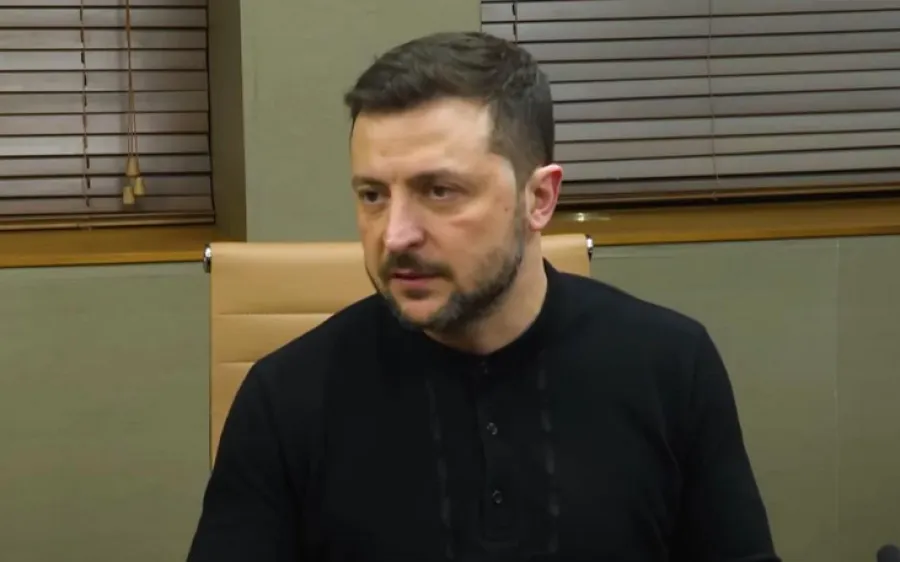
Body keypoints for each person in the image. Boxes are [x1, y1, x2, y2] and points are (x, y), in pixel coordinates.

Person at [186, 31, 780, 562]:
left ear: (539, 199)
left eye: (439, 191)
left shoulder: (672, 367)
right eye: (372, 195)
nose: (395, 235)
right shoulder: (285, 399)